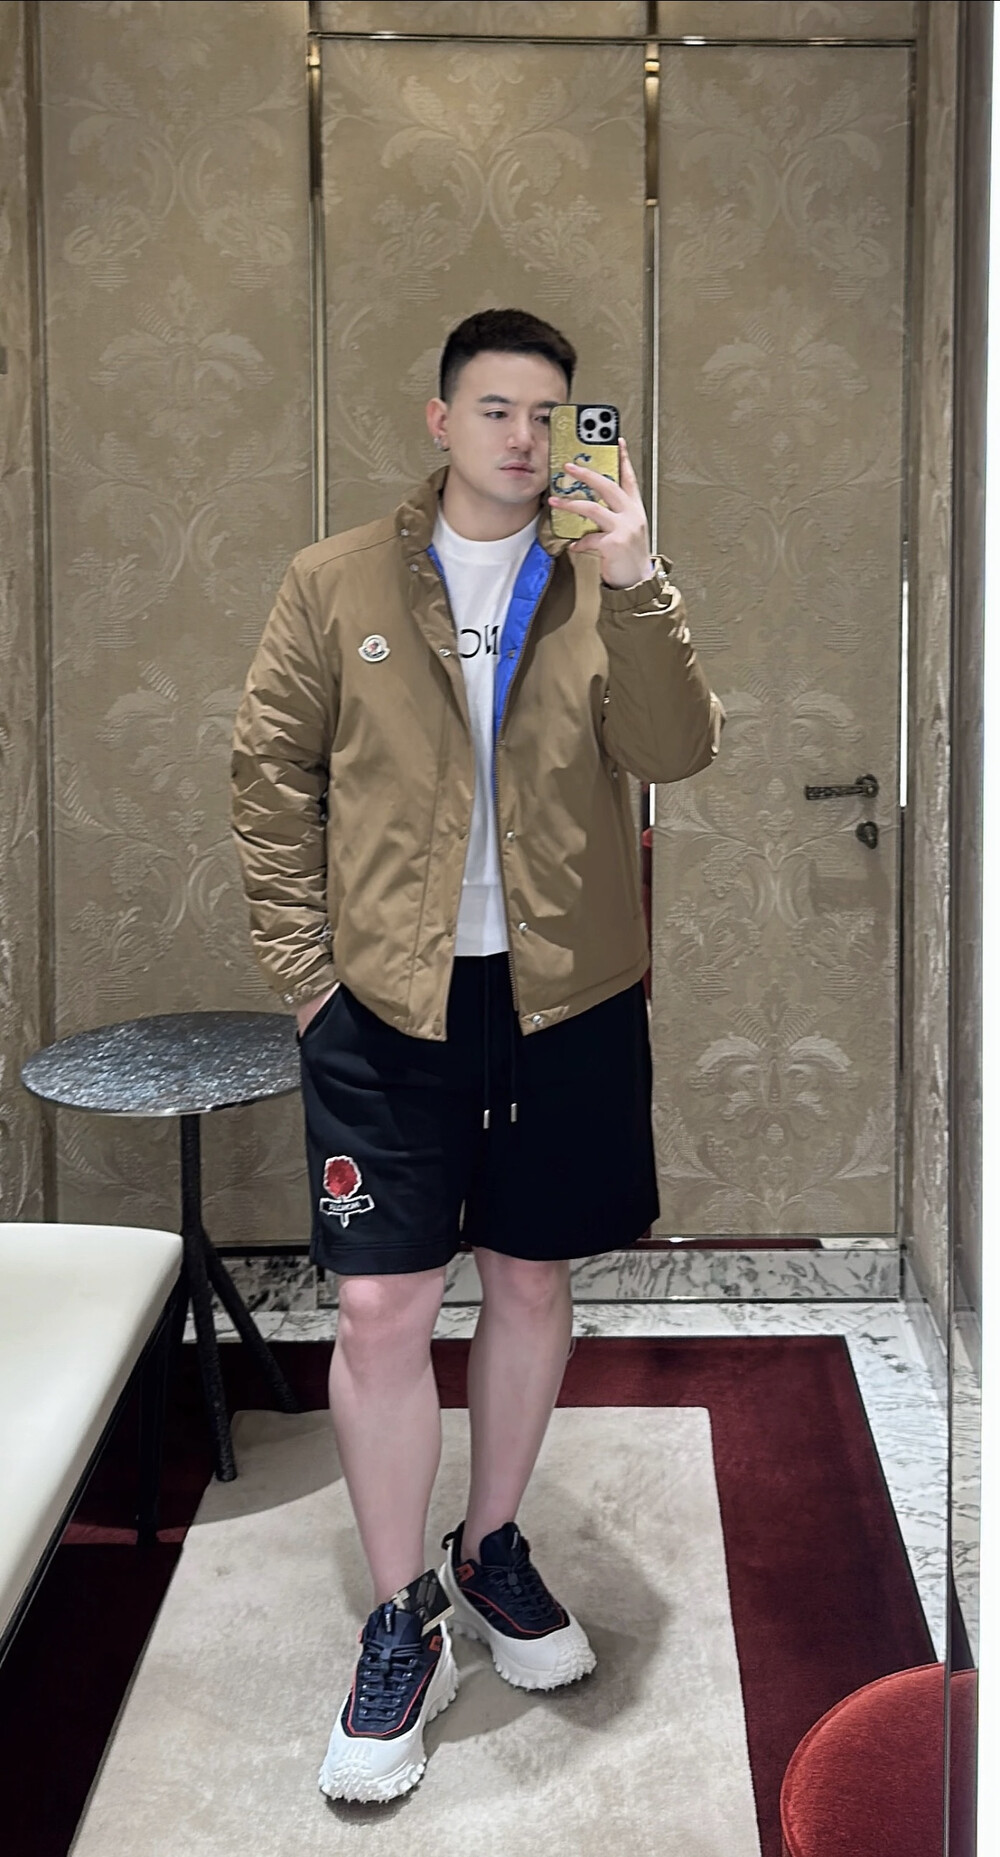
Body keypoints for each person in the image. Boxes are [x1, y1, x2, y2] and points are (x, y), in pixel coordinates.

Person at [230, 307, 723, 1805]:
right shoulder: (335, 583)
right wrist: (309, 979)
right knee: (380, 1304)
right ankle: (403, 1616)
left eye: (549, 414)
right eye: (495, 408)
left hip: (564, 1001)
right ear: (441, 421)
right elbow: (270, 776)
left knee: (529, 1278)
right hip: (384, 1003)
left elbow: (676, 750)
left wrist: (636, 581)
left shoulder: (598, 584)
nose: (523, 436)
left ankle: (490, 1542)